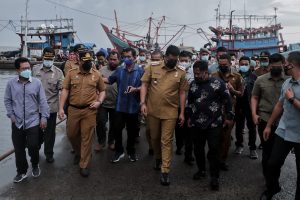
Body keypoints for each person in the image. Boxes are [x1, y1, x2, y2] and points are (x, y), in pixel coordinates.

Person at [140, 45, 189, 186]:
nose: (173, 61)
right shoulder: (152, 67)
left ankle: (165, 170)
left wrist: (182, 112)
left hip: (170, 112)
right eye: (171, 59)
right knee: (154, 137)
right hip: (152, 111)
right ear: (165, 56)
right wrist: (142, 103)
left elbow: (182, 93)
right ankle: (157, 157)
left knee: (166, 141)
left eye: (176, 59)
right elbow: (144, 85)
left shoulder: (181, 72)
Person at [186, 60, 233, 190]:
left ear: (206, 72)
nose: (196, 76)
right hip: (196, 123)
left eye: (198, 73)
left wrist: (228, 117)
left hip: (214, 123)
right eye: (194, 73)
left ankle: (215, 176)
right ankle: (201, 170)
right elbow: (190, 102)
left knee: (214, 149)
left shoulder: (218, 83)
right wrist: (189, 116)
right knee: (198, 149)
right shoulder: (193, 85)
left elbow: (227, 101)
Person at [58, 50, 106, 177]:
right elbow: (65, 90)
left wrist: (99, 102)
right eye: (85, 61)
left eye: (90, 61)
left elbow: (102, 91)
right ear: (79, 60)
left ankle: (84, 164)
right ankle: (79, 153)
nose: (88, 63)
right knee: (71, 134)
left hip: (89, 110)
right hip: (73, 109)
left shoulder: (96, 74)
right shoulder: (71, 73)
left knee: (87, 137)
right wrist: (61, 108)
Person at [260, 51, 300, 200]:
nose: (284, 66)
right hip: (284, 131)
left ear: (293, 65)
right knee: (272, 163)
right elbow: (279, 105)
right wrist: (269, 125)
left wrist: (292, 100)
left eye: (286, 63)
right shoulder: (287, 82)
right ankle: (272, 188)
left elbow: (288, 101)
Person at [4, 57, 49, 183]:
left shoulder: (37, 83)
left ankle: (35, 164)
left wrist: (44, 117)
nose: (27, 70)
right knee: (19, 149)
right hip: (17, 122)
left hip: (33, 120)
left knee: (33, 146)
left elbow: (43, 101)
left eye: (28, 68)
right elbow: (7, 100)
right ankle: (22, 171)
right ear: (17, 70)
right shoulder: (11, 84)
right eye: (24, 68)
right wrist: (11, 115)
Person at [251, 53, 288, 180]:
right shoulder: (260, 80)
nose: (276, 69)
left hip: (284, 122)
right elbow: (254, 97)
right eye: (273, 66)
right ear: (269, 66)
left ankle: (274, 176)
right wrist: (254, 114)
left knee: (278, 155)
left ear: (283, 65)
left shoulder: (289, 80)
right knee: (267, 151)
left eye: (279, 66)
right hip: (264, 119)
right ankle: (269, 180)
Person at [105, 47, 144, 163]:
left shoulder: (141, 71)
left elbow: (145, 87)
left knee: (132, 132)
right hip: (119, 106)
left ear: (135, 58)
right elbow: (109, 80)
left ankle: (131, 152)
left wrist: (136, 89)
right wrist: (95, 78)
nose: (126, 59)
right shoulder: (119, 70)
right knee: (117, 130)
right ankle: (119, 151)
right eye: (124, 57)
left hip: (133, 107)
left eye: (129, 57)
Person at [211, 53, 244, 171]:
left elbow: (241, 94)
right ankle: (213, 158)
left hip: (229, 112)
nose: (223, 66)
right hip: (214, 111)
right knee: (215, 136)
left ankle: (222, 160)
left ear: (230, 63)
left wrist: (232, 90)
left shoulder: (237, 76)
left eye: (225, 64)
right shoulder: (213, 76)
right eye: (220, 64)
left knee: (225, 137)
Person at [32, 47, 64, 163]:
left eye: (51, 58)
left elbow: (62, 90)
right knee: (36, 133)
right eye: (46, 58)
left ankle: (49, 154)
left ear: (54, 58)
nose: (48, 60)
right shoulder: (34, 70)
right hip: (35, 109)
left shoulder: (58, 72)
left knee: (50, 134)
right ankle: (36, 148)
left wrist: (61, 108)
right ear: (43, 56)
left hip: (51, 108)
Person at [95, 51, 120, 151]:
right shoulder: (101, 70)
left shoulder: (121, 70)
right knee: (100, 123)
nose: (113, 61)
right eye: (111, 59)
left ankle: (111, 141)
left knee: (114, 124)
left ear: (119, 60)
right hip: (103, 103)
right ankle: (101, 142)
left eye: (115, 59)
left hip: (116, 103)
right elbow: (96, 84)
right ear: (107, 59)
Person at [234, 56, 258, 158]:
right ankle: (239, 145)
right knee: (239, 127)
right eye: (242, 64)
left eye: (246, 64)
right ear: (238, 64)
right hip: (238, 105)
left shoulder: (254, 77)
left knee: (252, 127)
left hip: (250, 106)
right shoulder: (235, 76)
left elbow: (257, 94)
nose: (244, 66)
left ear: (249, 65)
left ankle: (252, 148)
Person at [174, 50, 194, 165]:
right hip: (177, 105)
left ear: (190, 61)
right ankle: (179, 146)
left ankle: (189, 154)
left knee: (190, 130)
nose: (184, 62)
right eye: (182, 60)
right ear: (178, 60)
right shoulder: (175, 72)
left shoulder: (193, 72)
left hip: (190, 106)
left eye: (186, 61)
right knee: (179, 128)